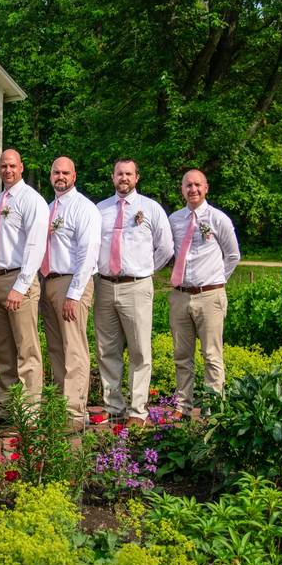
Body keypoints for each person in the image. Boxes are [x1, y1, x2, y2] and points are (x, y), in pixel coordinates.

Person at [93, 160, 174, 428]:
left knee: (140, 350)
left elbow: (165, 247)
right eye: (119, 173)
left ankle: (138, 411)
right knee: (107, 350)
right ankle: (113, 406)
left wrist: (146, 270)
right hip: (104, 286)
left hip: (136, 286)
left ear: (136, 177)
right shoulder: (100, 210)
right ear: (113, 177)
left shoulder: (150, 208)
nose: (123, 178)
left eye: (128, 174)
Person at [168, 169, 241, 418]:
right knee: (181, 354)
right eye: (188, 185)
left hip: (210, 295)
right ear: (182, 189)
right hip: (180, 295)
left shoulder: (218, 219)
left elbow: (233, 255)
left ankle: (212, 407)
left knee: (211, 354)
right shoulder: (175, 220)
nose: (193, 189)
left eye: (198, 185)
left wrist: (217, 281)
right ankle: (183, 406)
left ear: (206, 187)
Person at [0, 149, 48, 425]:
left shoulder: (31, 200)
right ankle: (7, 407)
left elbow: (35, 245)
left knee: (26, 349)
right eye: (3, 166)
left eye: (12, 165)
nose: (7, 170)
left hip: (18, 280)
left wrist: (20, 286)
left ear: (21, 167)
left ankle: (30, 415)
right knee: (3, 350)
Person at [38, 157, 101, 432]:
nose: (60, 176)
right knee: (55, 349)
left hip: (72, 282)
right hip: (48, 282)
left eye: (65, 173)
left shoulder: (83, 208)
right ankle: (60, 409)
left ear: (74, 176)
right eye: (56, 172)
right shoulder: (49, 208)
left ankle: (74, 415)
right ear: (50, 175)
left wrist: (74, 294)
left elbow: (88, 254)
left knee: (74, 349)